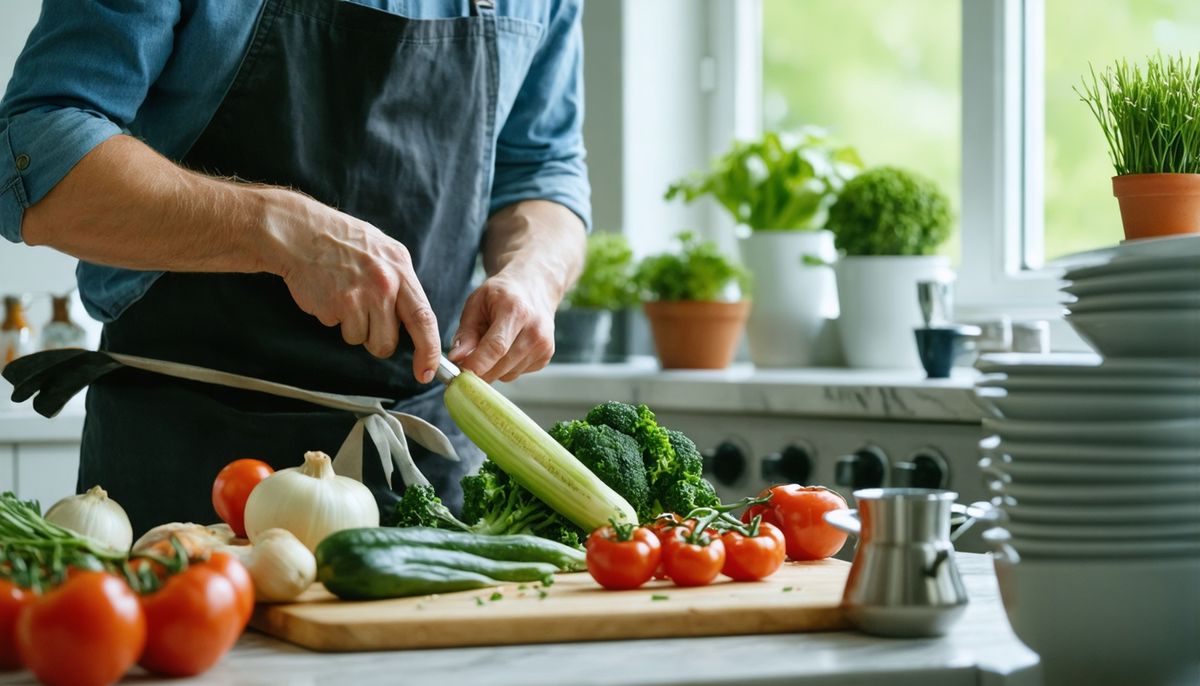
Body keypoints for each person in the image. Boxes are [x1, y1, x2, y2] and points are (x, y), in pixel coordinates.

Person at [0, 0, 589, 535]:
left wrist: (535, 273)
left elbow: (543, 168)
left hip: (424, 471)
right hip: (189, 468)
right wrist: (276, 228)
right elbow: (35, 154)